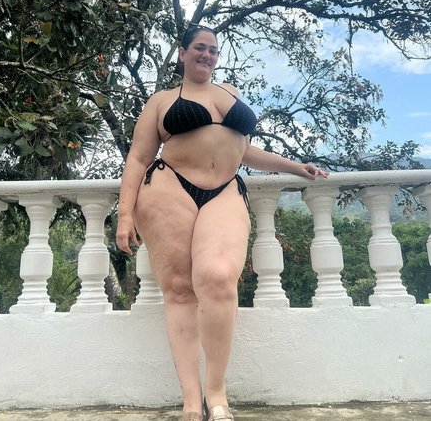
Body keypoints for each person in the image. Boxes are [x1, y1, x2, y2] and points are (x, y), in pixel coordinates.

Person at [116, 26, 328, 421]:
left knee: (217, 277)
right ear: (183, 52)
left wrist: (295, 166)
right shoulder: (161, 101)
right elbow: (139, 158)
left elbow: (244, 150)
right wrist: (125, 214)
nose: (207, 55)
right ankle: (191, 401)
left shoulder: (229, 92)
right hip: (169, 189)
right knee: (180, 291)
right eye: (200, 48)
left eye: (213, 50)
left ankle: (217, 392)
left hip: (225, 190)